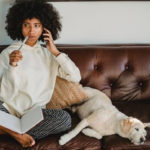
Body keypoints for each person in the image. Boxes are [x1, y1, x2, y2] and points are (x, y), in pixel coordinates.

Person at [0, 0, 81, 147]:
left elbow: (76, 77)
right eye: (26, 25)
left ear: (45, 28)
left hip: (34, 115)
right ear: (19, 26)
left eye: (36, 26)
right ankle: (17, 134)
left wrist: (55, 52)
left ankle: (7, 130)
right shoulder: (7, 53)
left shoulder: (49, 55)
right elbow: (4, 91)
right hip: (7, 109)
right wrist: (12, 66)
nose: (31, 31)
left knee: (65, 119)